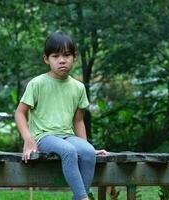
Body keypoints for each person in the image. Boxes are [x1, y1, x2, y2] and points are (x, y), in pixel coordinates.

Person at [15, 31, 109, 200]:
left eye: (66, 55)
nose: (61, 60)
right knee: (69, 151)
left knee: (87, 152)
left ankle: (79, 197)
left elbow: (78, 121)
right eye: (55, 56)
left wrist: (86, 145)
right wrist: (28, 139)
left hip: (67, 135)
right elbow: (20, 113)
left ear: (74, 58)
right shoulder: (37, 83)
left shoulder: (78, 88)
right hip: (44, 137)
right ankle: (83, 197)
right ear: (46, 59)